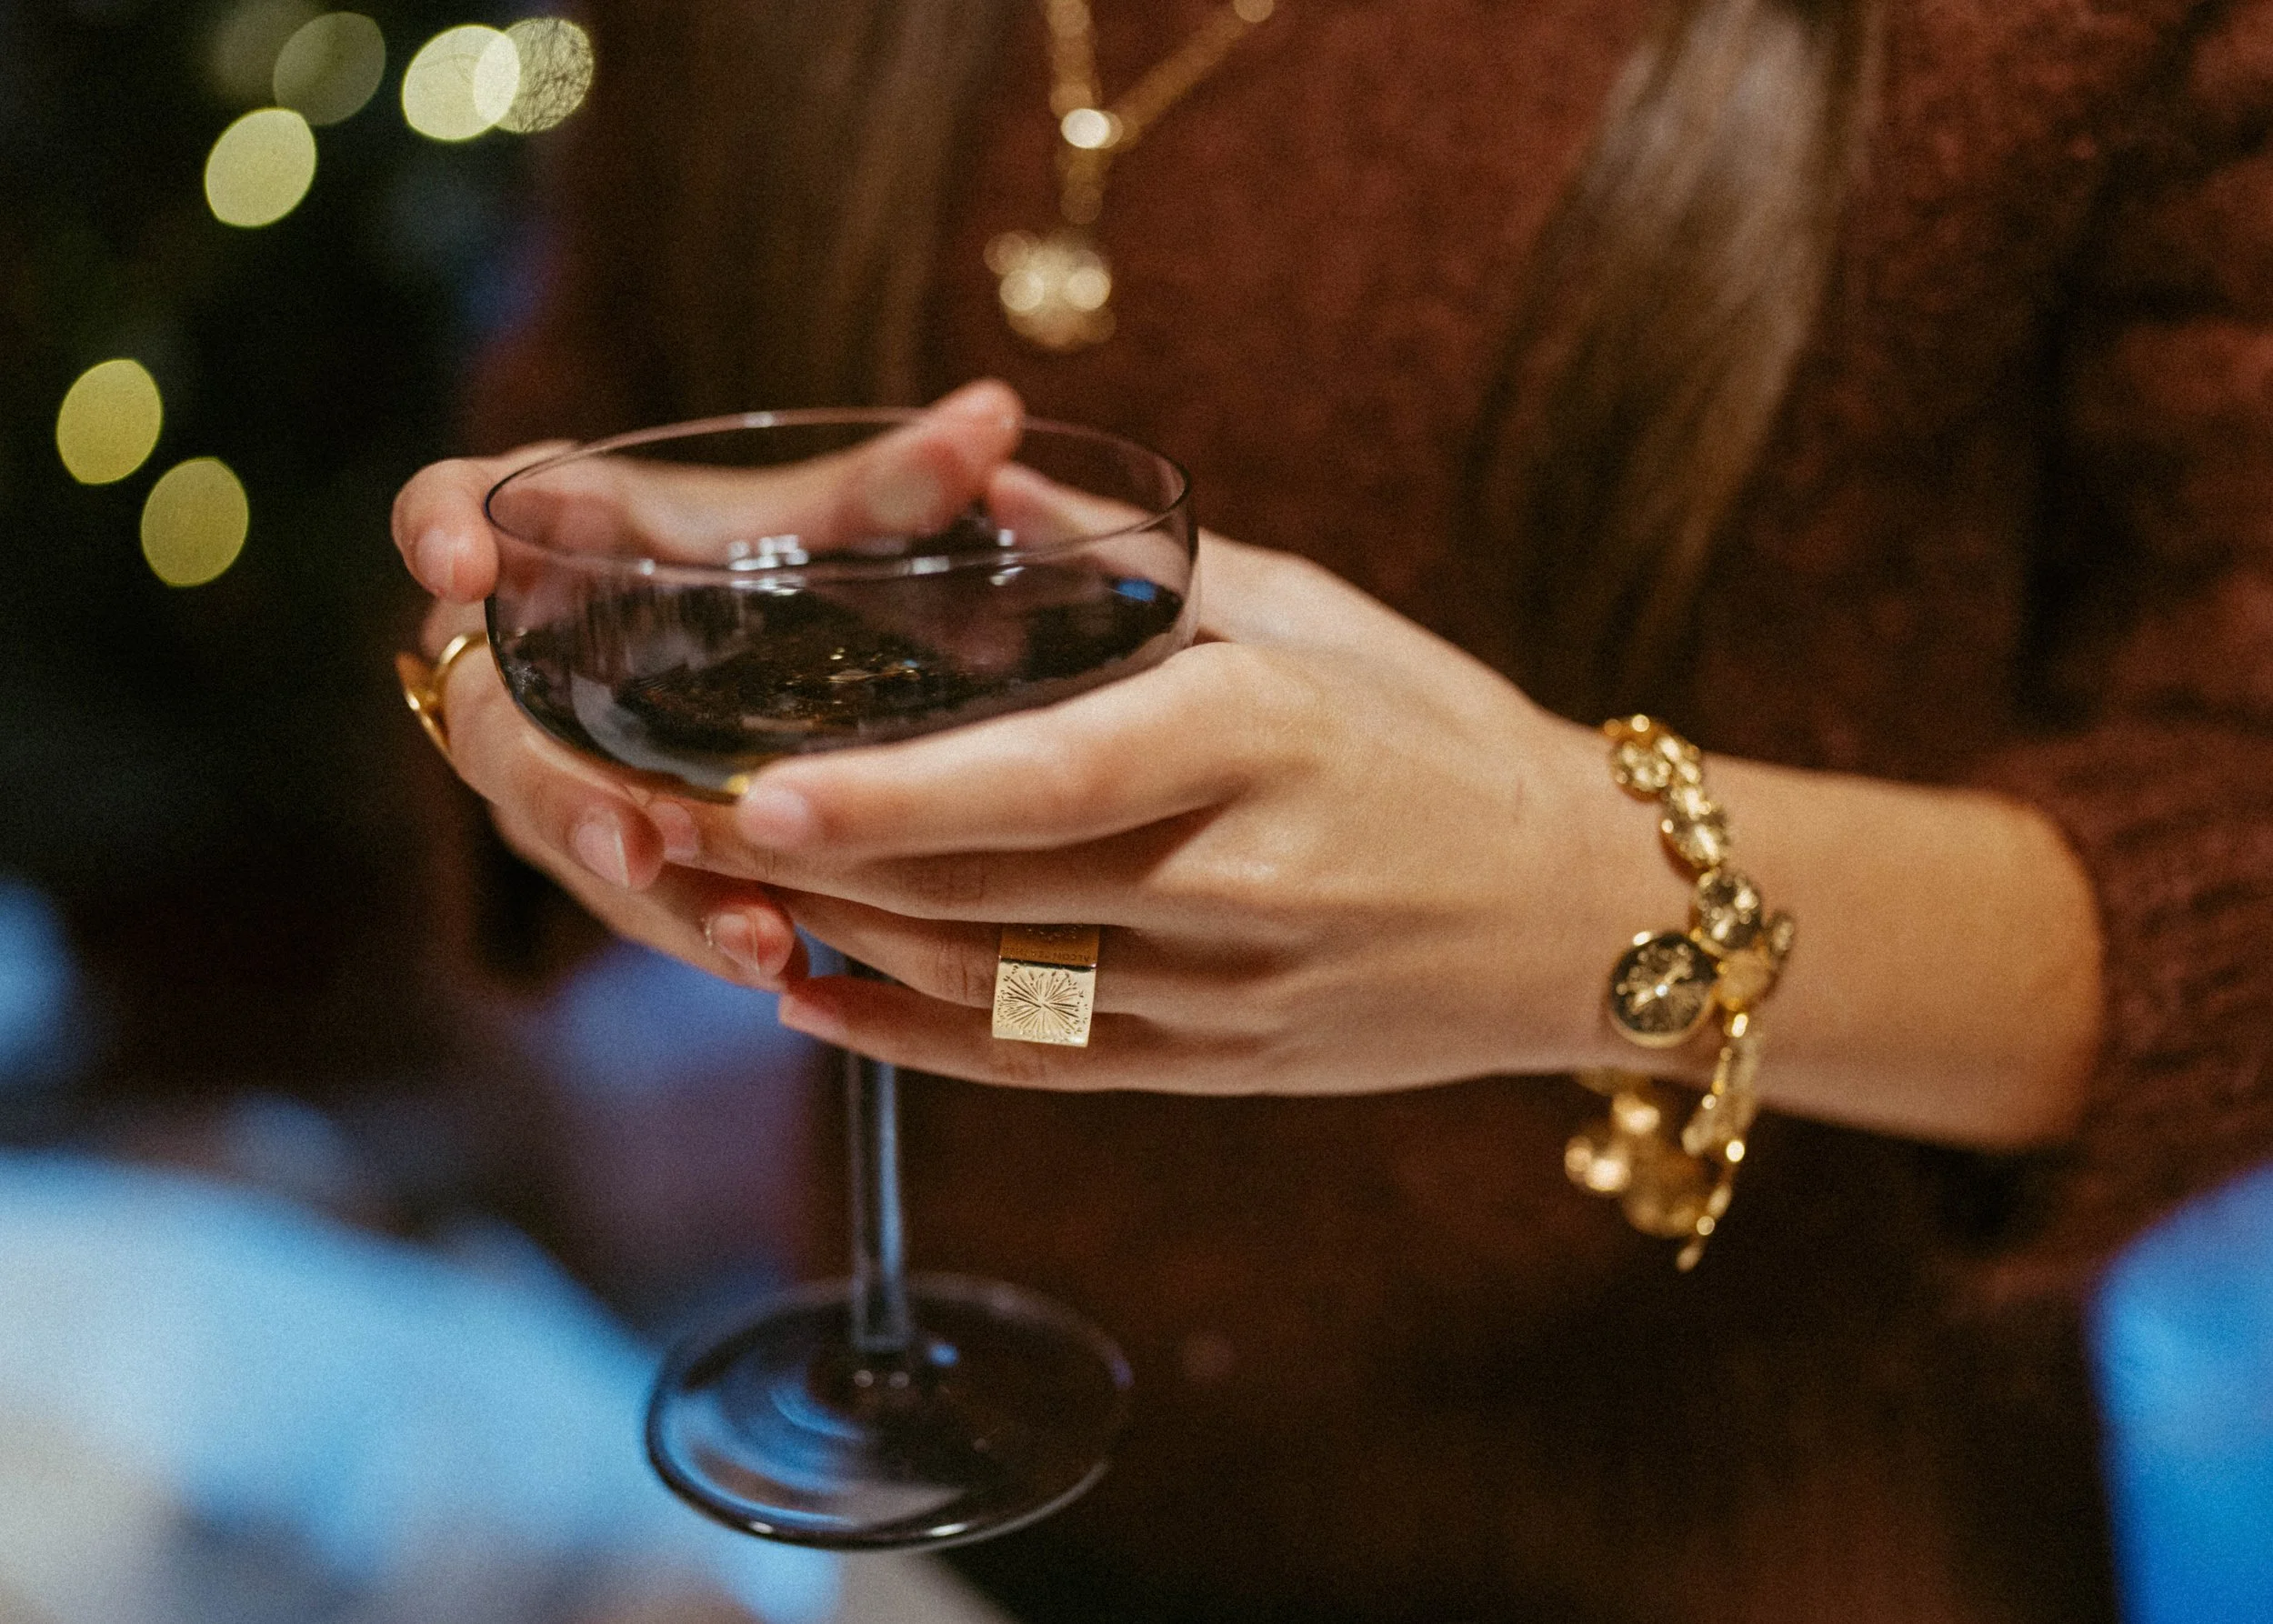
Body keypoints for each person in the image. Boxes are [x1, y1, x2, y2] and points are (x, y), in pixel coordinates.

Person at [391, 1, 2273, 1619]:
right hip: (936, 1500)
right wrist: (520, 679)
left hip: (1739, 1542)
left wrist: (1582, 908)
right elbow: (579, 445)